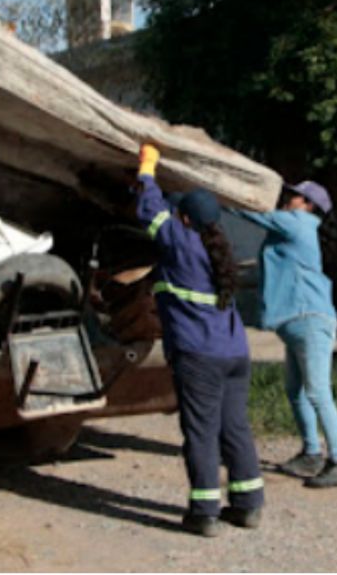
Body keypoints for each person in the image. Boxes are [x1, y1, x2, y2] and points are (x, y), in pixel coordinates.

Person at [136, 143, 265, 537]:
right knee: (234, 428)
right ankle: (248, 505)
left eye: (180, 213)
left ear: (186, 219)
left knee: (201, 432)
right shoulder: (217, 248)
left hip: (199, 356)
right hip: (234, 353)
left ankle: (205, 512)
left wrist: (147, 167)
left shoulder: (179, 241)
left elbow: (149, 209)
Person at [231, 181, 337, 488]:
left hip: (309, 320)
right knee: (295, 390)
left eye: (293, 196)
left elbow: (250, 212)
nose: (287, 199)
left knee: (317, 391)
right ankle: (311, 452)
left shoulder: (298, 222)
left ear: (308, 204)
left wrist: (219, 192)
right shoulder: (297, 225)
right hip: (298, 322)